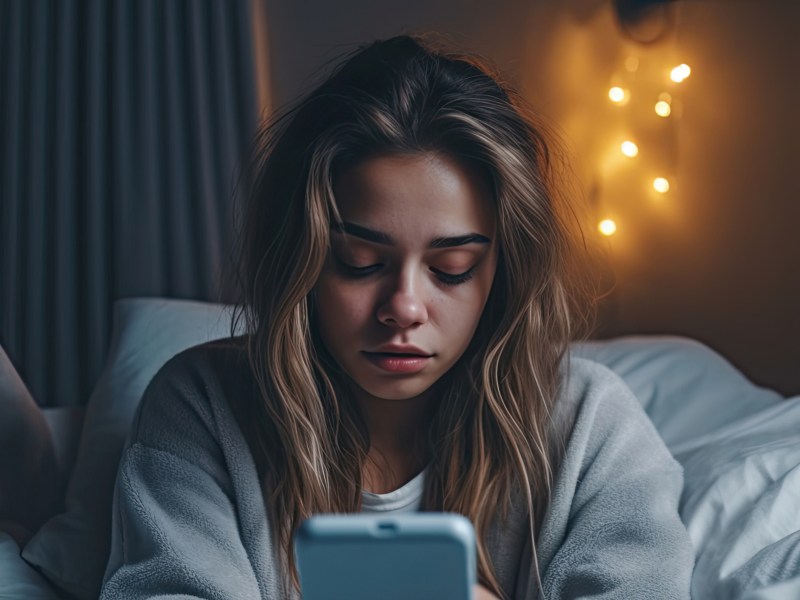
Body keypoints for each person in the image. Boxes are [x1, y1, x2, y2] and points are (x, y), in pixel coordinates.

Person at [100, 35, 694, 599]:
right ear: (300, 261)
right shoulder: (200, 409)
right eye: (359, 262)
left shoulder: (592, 428)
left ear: (503, 272)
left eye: (453, 267)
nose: (404, 309)